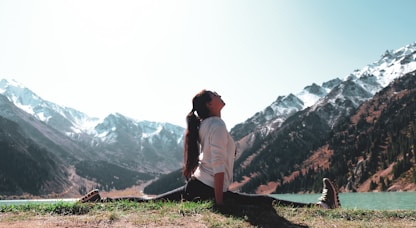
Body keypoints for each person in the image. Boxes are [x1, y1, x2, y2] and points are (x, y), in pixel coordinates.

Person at [80, 89, 341, 209]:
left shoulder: (208, 124)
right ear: (210, 104)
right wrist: (219, 202)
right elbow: (217, 164)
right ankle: (322, 207)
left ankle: (101, 202)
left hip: (199, 186)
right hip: (206, 189)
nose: (219, 94)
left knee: (153, 203)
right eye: (214, 94)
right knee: (263, 202)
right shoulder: (216, 125)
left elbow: (218, 157)